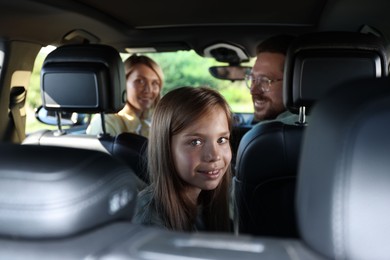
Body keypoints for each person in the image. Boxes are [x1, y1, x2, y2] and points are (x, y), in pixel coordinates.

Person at [132, 86, 233, 232]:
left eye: (222, 140)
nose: (215, 156)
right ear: (165, 147)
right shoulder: (149, 223)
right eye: (196, 142)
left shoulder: (221, 198)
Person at [86, 54, 164, 137]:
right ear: (122, 83)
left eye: (155, 83)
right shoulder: (107, 123)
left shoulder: (149, 121)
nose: (149, 90)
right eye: (140, 81)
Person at [246, 34, 297, 125]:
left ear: (295, 83)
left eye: (264, 80)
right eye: (252, 79)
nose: (253, 90)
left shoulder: (265, 135)